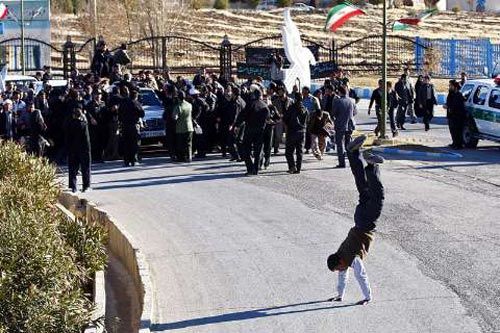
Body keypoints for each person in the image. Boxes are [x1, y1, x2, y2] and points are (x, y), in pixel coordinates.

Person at [327, 134, 384, 305]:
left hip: (366, 223)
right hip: (359, 217)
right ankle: (353, 153)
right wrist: (340, 295)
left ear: (340, 262)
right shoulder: (341, 254)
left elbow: (361, 276)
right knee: (363, 187)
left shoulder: (351, 259)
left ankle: (372, 165)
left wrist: (368, 297)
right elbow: (342, 279)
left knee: (378, 197)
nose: (341, 271)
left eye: (338, 268)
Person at [234, 88, 270, 176]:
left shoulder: (250, 104)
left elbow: (242, 115)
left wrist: (237, 125)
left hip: (250, 129)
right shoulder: (264, 105)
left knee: (246, 149)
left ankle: (250, 168)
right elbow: (268, 118)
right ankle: (256, 168)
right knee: (258, 150)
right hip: (261, 130)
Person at [65, 107, 91, 193]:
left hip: (72, 149)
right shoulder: (83, 124)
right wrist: (88, 150)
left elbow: (67, 138)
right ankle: (85, 186)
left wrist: (68, 148)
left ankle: (73, 186)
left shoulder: (69, 124)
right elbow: (86, 139)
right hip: (83, 149)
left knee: (72, 168)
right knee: (85, 168)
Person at [332, 86, 356, 168]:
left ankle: (342, 163)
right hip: (350, 125)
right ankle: (352, 161)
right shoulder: (352, 101)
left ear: (339, 92)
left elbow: (334, 113)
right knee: (349, 145)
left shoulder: (337, 101)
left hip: (340, 125)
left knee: (340, 145)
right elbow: (355, 112)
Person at [119, 89, 145, 166]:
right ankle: (134, 159)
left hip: (124, 125)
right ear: (136, 97)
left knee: (126, 143)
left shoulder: (123, 103)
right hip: (134, 125)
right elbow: (142, 114)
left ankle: (126, 161)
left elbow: (119, 114)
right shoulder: (136, 103)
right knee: (135, 143)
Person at [283, 92, 308, 174]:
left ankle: (292, 166)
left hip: (292, 131)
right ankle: (298, 168)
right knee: (299, 151)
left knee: (289, 151)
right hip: (302, 132)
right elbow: (307, 120)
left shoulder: (291, 108)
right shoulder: (305, 109)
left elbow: (285, 118)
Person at [444, 80, 466, 149]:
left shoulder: (459, 95)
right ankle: (454, 143)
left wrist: (448, 106)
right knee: (452, 130)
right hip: (451, 115)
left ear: (455, 87)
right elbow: (449, 102)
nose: (449, 87)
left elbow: (457, 105)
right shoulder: (451, 94)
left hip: (457, 116)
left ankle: (459, 145)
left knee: (457, 131)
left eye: (451, 86)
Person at [173, 91, 194, 162]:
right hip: (189, 126)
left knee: (180, 144)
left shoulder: (178, 106)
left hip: (180, 128)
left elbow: (175, 117)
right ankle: (189, 157)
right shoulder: (189, 105)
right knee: (189, 143)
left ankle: (181, 157)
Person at [271, 86, 292, 155]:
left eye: (281, 91)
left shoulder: (290, 100)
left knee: (288, 135)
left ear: (284, 91)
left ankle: (288, 149)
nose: (279, 93)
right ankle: (276, 149)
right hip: (279, 119)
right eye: (278, 92)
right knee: (278, 135)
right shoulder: (276, 101)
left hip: (288, 120)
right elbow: (273, 110)